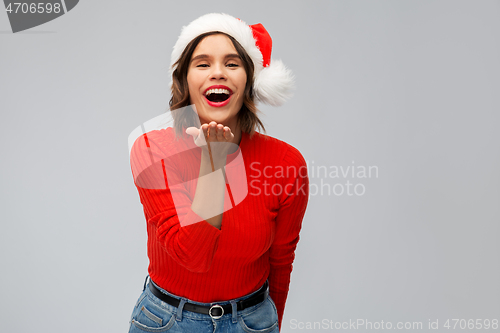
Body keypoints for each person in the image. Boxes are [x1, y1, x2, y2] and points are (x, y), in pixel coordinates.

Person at [128, 13, 309, 333]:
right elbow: (193, 256)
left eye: (232, 63)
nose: (217, 73)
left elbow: (281, 262)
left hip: (252, 321)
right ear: (184, 80)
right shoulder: (151, 150)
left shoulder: (286, 163)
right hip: (166, 322)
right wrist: (214, 163)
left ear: (251, 81)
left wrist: (270, 326)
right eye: (202, 63)